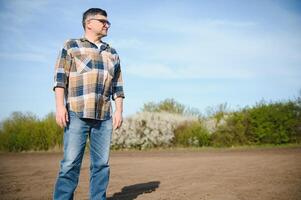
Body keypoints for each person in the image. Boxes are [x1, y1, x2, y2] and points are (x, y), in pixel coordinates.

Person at [52, 8, 125, 200]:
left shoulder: (112, 53)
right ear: (89, 23)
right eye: (103, 21)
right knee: (70, 164)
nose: (107, 24)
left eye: (108, 22)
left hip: (104, 116)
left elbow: (118, 86)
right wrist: (60, 107)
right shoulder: (71, 46)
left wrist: (119, 111)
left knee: (101, 165)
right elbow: (60, 79)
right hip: (76, 113)